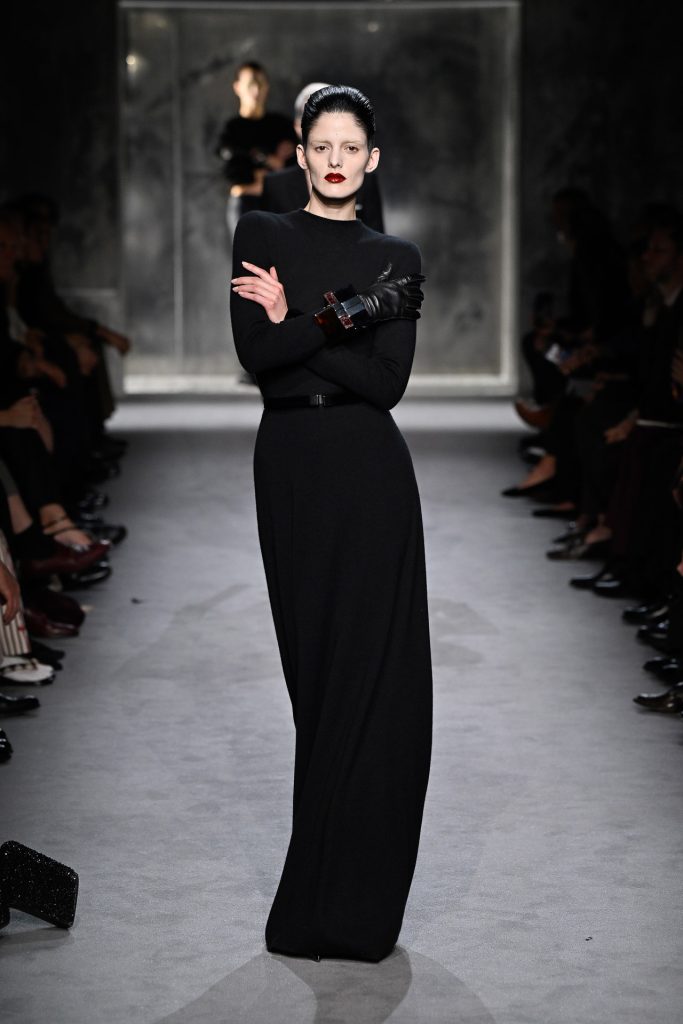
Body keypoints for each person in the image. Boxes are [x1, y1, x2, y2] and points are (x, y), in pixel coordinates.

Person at [230, 85, 432, 962]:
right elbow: (258, 357)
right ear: (301, 153)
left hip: (371, 476)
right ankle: (311, 899)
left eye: (352, 147)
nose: (337, 160)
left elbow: (386, 386)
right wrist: (348, 315)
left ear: (371, 159)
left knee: (378, 686)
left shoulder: (397, 256)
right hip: (290, 468)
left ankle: (357, 911)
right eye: (323, 146)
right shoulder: (263, 232)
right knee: (313, 682)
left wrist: (300, 319)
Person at [261, 81, 385, 232]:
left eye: (351, 148)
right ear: (298, 127)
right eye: (312, 116)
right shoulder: (276, 186)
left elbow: (377, 235)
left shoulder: (366, 180)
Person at [216, 62, 297, 236]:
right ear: (238, 88)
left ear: (267, 87)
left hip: (278, 207)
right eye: (251, 84)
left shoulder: (281, 126)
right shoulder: (232, 129)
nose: (256, 90)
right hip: (246, 207)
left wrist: (254, 165)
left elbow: (294, 167)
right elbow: (231, 173)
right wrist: (269, 160)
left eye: (260, 83)